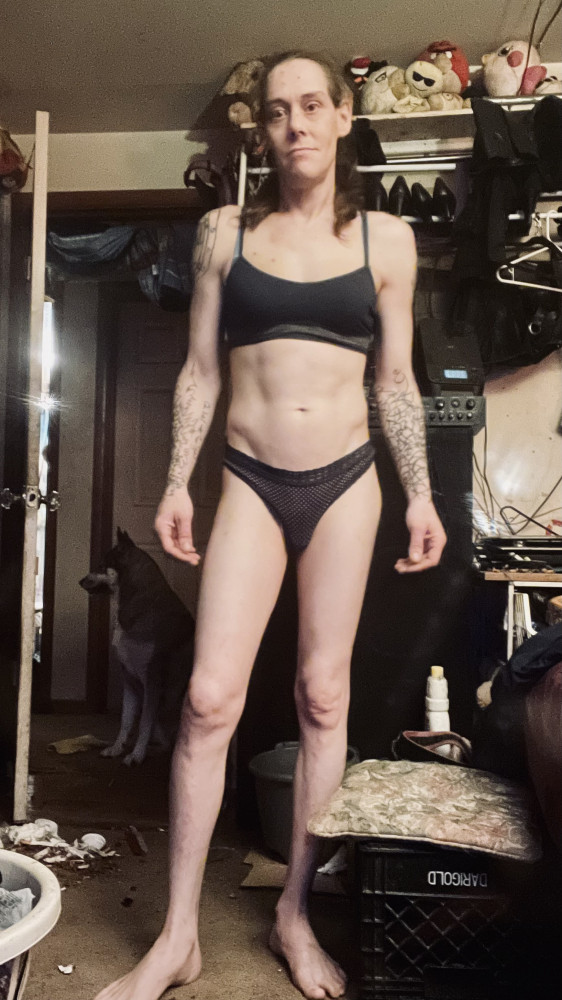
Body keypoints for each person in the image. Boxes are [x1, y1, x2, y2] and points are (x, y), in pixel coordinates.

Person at [95, 49, 446, 1000]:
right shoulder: (223, 232)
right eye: (278, 110)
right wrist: (177, 479)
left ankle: (294, 914)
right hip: (249, 480)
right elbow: (201, 369)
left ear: (342, 117)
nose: (295, 123)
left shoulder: (388, 241)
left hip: (348, 483)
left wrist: (419, 492)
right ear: (264, 129)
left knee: (323, 699)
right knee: (209, 699)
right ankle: (177, 938)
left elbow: (395, 380)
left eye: (312, 105)